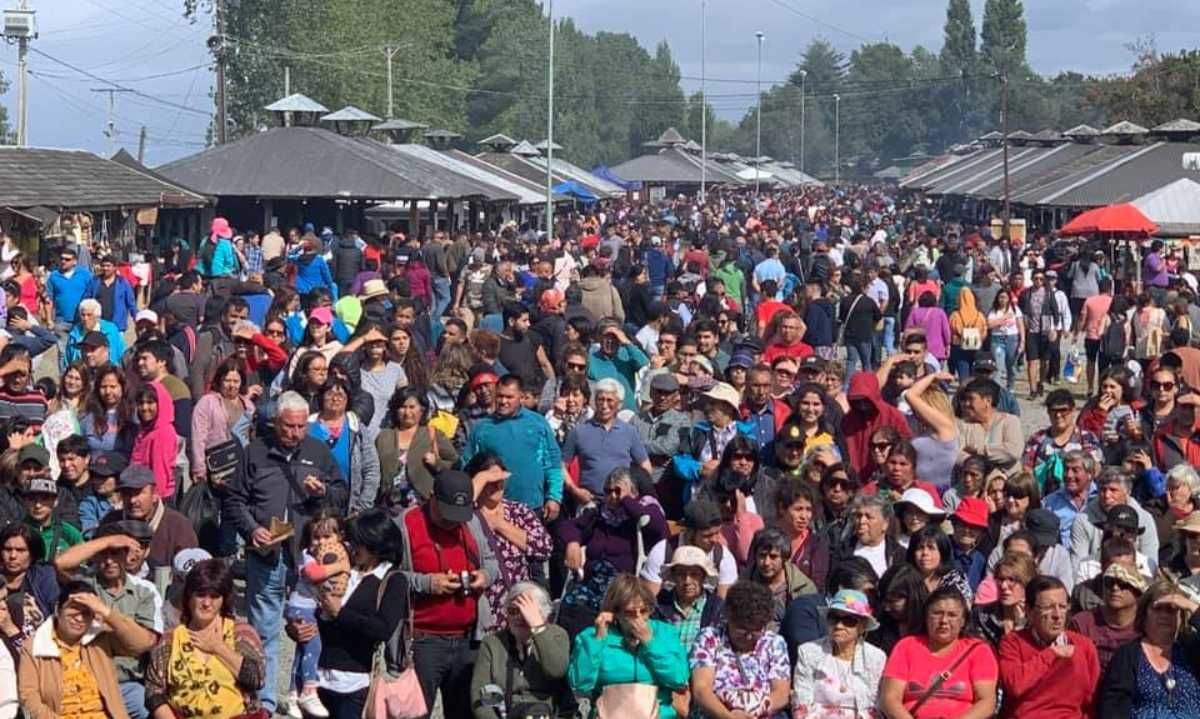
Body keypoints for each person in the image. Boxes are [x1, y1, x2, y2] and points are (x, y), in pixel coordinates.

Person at [226, 390, 347, 713]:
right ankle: (265, 701)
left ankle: (299, 692)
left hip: (308, 557)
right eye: (287, 427)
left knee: (307, 627)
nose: (294, 434)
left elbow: (341, 494)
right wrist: (252, 529)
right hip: (266, 555)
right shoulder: (255, 453)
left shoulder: (318, 451)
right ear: (275, 422)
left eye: (299, 427)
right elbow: (234, 500)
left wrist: (322, 492)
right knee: (264, 630)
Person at [397, 469, 499, 719]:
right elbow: (389, 577)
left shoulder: (472, 521)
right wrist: (428, 583)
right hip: (423, 640)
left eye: (458, 516)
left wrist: (484, 576)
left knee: (466, 712)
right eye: (447, 514)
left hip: (469, 638)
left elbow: (491, 561)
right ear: (432, 497)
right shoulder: (405, 524)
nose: (452, 522)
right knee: (415, 712)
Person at [144, 559, 265, 719]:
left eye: (214, 596)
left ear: (224, 599)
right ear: (189, 597)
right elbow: (154, 691)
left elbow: (256, 678)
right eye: (200, 595)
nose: (207, 603)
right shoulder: (171, 639)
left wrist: (218, 647)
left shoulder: (241, 633)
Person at [17, 581, 157, 719]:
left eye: (86, 612)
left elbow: (142, 643)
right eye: (73, 609)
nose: (79, 618)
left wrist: (106, 612)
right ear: (57, 609)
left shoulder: (100, 638)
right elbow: (28, 697)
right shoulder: (35, 646)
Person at [567, 574, 689, 719]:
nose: (638, 618)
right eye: (630, 613)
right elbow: (579, 684)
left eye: (643, 611)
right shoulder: (592, 636)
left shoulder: (665, 633)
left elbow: (679, 679)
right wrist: (597, 641)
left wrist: (650, 643)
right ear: (615, 612)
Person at [878, 587, 998, 719]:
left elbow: (986, 702)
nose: (944, 621)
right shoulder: (906, 646)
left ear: (963, 621)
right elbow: (889, 699)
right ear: (926, 617)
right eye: (937, 613)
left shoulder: (978, 650)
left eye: (952, 615)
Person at [468, 452, 552, 631]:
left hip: (518, 610)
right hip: (481, 612)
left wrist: (500, 525)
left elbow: (544, 547)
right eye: (490, 482)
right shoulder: (467, 516)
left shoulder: (519, 511)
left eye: (501, 480)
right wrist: (480, 479)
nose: (497, 486)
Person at [462, 375, 564, 521]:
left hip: (533, 507)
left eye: (509, 397)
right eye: (500, 396)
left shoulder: (538, 423)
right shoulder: (482, 428)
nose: (503, 401)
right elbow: (467, 464)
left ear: (521, 397)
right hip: (495, 509)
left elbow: (553, 462)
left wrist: (554, 497)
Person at [997, 575, 1101, 718]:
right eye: (1048, 607)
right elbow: (1015, 685)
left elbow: (1092, 700)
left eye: (1063, 607)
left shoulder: (1083, 646)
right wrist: (1051, 654)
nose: (1057, 615)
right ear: (1029, 611)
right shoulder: (1012, 642)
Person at [1096, 580, 1200, 716]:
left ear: (1181, 616)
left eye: (1171, 609)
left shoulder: (1191, 648)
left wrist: (1192, 607)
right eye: (1157, 608)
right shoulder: (1127, 655)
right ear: (1144, 615)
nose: (1164, 615)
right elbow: (1112, 708)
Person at [689, 580, 790, 719]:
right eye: (741, 630)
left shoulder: (775, 643)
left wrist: (754, 710)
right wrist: (728, 716)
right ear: (728, 619)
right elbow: (701, 690)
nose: (748, 637)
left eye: (755, 630)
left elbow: (781, 694)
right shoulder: (709, 638)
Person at [469, 582, 571, 719]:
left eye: (525, 612)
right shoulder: (492, 643)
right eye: (512, 611)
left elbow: (556, 670)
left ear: (543, 613)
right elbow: (479, 694)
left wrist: (538, 629)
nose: (518, 617)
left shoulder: (557, 635)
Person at [792, 589, 886, 718]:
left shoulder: (876, 658)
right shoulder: (809, 651)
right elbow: (801, 704)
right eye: (834, 618)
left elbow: (875, 708)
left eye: (849, 620)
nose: (839, 625)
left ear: (862, 626)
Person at [561, 378, 652, 507]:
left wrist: (632, 493)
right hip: (589, 502)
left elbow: (645, 467)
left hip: (622, 504)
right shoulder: (579, 431)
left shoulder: (629, 432)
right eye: (600, 399)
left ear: (619, 404)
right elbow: (561, 466)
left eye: (609, 400)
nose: (604, 405)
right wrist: (575, 490)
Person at [102, 465, 197, 570]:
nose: (132, 500)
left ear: (155, 494)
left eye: (138, 493)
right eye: (127, 494)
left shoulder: (179, 527)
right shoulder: (111, 523)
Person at [641, 499, 738, 598]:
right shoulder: (661, 552)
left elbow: (723, 603)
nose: (715, 540)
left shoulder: (723, 557)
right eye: (707, 536)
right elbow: (649, 602)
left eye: (718, 533)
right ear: (689, 533)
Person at [1068, 562, 1144, 672]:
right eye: (1109, 582)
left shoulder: (1147, 625)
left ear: (1137, 592)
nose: (1115, 588)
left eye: (1123, 584)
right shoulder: (1082, 623)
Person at [651, 545, 726, 651]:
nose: (687, 581)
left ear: (704, 576)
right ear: (673, 576)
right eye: (681, 574)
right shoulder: (658, 606)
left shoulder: (717, 608)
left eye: (694, 574)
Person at [0, 523, 60, 641]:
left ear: (32, 554)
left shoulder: (43, 577)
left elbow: (56, 615)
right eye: (7, 549)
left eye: (20, 550)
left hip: (38, 648)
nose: (13, 556)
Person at [969, 551, 1038, 648]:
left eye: (1011, 580)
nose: (1004, 586)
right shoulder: (981, 615)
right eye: (1000, 579)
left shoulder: (1037, 618)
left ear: (1026, 583)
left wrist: (1021, 624)